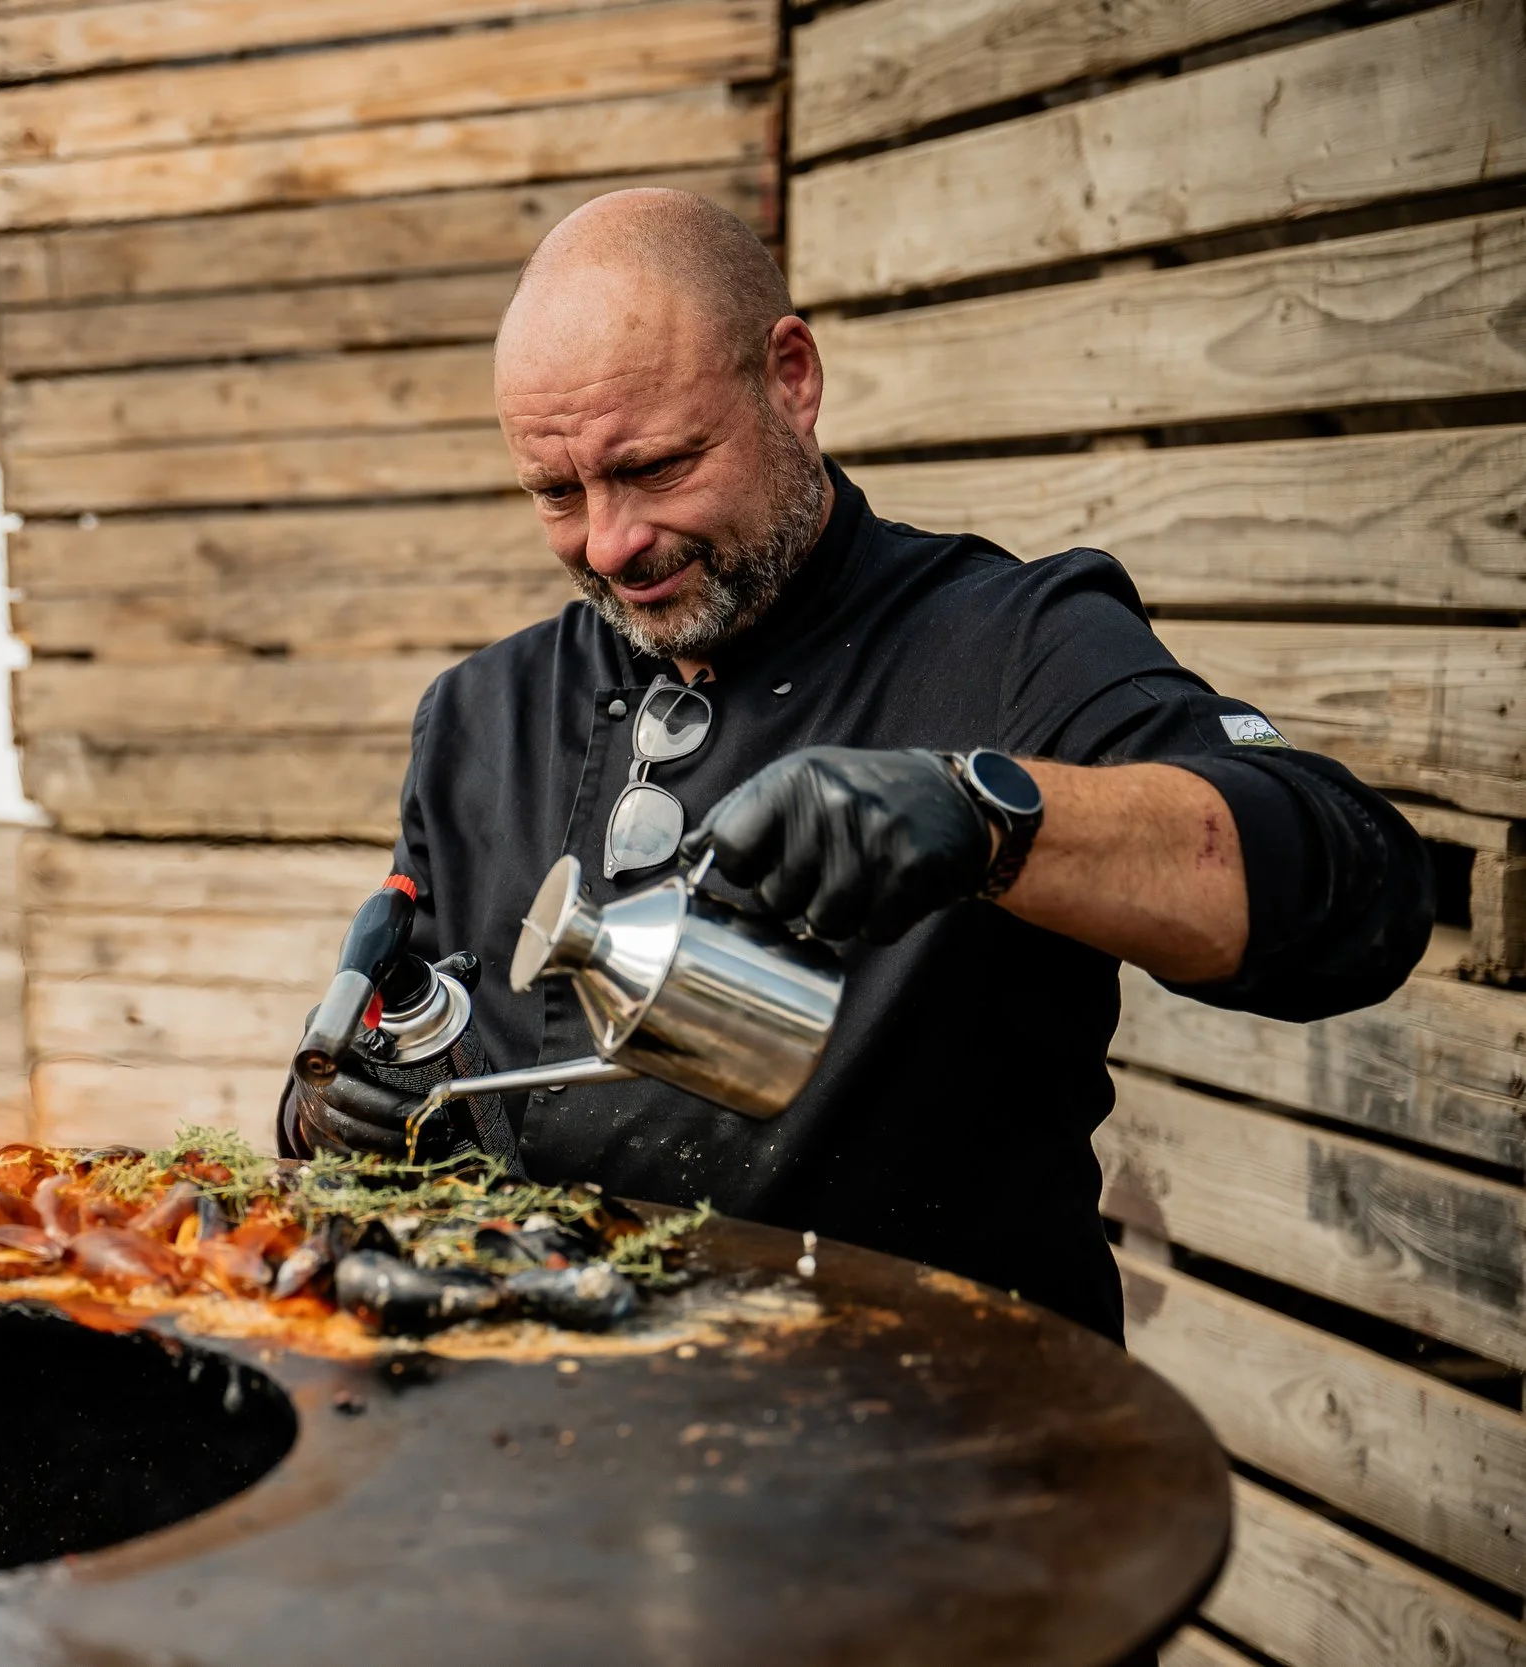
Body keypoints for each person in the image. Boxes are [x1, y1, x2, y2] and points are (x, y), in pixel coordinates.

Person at [277, 190, 1433, 1340]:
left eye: (659, 465)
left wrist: (989, 815)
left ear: (791, 378)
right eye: (555, 492)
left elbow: (1355, 888)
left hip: (940, 1446)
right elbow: (409, 1024)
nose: (611, 541)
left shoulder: (1012, 641)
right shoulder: (481, 711)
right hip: (564, 1442)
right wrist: (342, 1109)